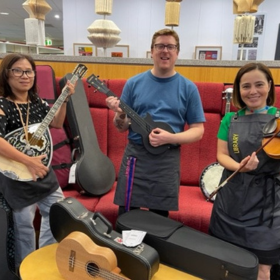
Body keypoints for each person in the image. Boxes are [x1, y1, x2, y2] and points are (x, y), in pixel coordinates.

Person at [106, 28, 205, 218]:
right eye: (160, 46)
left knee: (159, 222)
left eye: (170, 46)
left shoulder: (188, 88)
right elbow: (121, 127)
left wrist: (171, 137)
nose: (165, 51)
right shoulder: (134, 83)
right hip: (136, 158)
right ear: (151, 51)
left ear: (177, 52)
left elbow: (198, 131)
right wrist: (119, 114)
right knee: (127, 217)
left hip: (166, 160)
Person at [0, 53, 76, 273]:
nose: (25, 76)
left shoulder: (38, 102)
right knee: (23, 226)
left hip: (42, 171)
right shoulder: (3, 105)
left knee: (57, 214)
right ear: (7, 74)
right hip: (16, 175)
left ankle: (46, 258)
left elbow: (57, 122)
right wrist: (28, 162)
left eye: (29, 71)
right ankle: (26, 269)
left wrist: (64, 99)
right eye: (18, 71)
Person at [209, 62, 280, 280]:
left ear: (269, 85)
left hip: (266, 207)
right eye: (246, 86)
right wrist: (238, 167)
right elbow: (221, 155)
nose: (253, 91)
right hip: (231, 198)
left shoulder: (278, 119)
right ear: (239, 89)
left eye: (259, 84)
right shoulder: (230, 119)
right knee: (223, 263)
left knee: (262, 269)